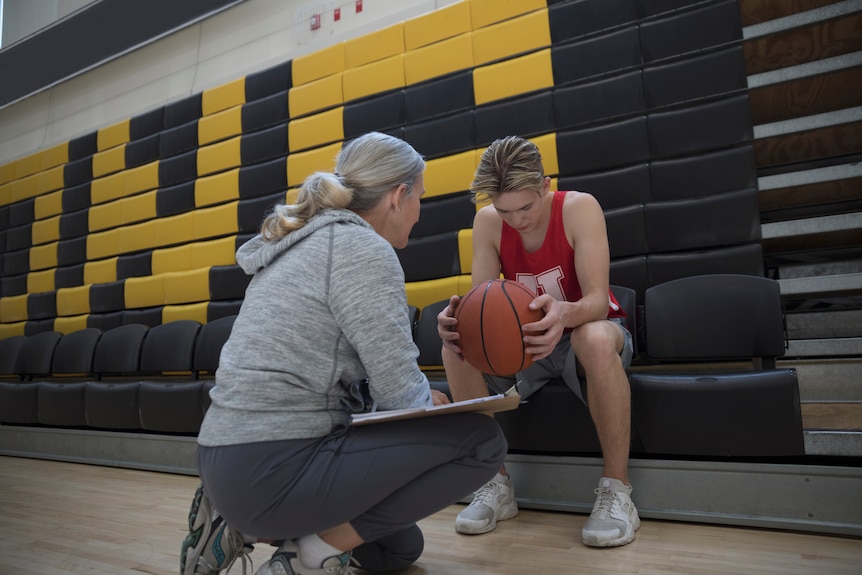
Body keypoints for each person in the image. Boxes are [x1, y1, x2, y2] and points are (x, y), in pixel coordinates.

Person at [180, 132, 508, 575]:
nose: (418, 213)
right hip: (270, 467)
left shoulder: (299, 245)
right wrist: (428, 401)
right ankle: (307, 557)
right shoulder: (363, 249)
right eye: (419, 199)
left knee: (395, 549)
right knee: (482, 442)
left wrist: (420, 395)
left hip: (224, 458)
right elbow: (398, 393)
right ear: (397, 196)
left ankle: (235, 525)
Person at [436, 135, 640, 548]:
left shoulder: (579, 207)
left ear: (545, 185)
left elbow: (598, 302)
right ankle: (494, 484)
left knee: (593, 337)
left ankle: (617, 492)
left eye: (526, 207)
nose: (517, 219)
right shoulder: (488, 222)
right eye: (505, 210)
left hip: (585, 331)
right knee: (455, 348)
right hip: (528, 343)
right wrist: (458, 321)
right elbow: (484, 309)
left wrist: (564, 313)